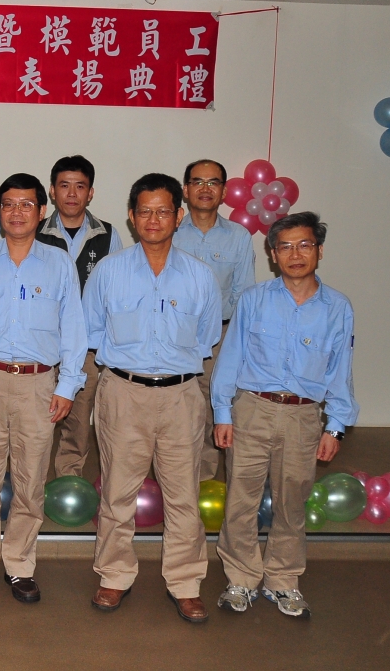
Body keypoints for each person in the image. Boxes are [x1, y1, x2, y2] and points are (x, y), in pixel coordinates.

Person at [83, 173, 221, 623]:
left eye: (163, 211)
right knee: (117, 492)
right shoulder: (109, 271)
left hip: (181, 396)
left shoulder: (200, 276)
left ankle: (185, 583)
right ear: (131, 216)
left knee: (183, 496)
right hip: (123, 393)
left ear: (179, 216)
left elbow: (206, 338)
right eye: (145, 211)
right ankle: (114, 575)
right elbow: (92, 331)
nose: (154, 219)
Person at [0, 173, 87, 603]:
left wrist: (68, 386)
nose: (17, 212)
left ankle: (20, 564)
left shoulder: (59, 263)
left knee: (30, 481)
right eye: (8, 204)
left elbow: (74, 329)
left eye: (26, 204)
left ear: (42, 212)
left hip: (38, 384)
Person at [212, 212, 357, 619]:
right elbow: (230, 358)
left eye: (305, 245)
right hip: (252, 410)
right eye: (286, 247)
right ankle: (241, 577)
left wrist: (336, 426)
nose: (296, 254)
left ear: (319, 251)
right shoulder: (254, 299)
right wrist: (222, 412)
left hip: (303, 417)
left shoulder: (338, 307)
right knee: (241, 499)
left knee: (292, 502)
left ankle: (283, 579)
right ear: (273, 254)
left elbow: (341, 371)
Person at [37, 155, 123, 479]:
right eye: (64, 186)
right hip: (42, 344)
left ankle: (67, 481)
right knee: (36, 420)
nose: (71, 194)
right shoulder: (34, 231)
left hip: (85, 346)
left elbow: (116, 291)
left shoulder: (108, 235)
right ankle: (32, 483)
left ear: (91, 193)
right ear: (52, 191)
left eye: (80, 186)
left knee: (77, 420)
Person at [173, 159, 256, 482]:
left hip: (220, 338)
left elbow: (243, 294)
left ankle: (203, 482)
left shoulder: (238, 236)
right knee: (174, 412)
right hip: (175, 337)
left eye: (213, 182)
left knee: (212, 409)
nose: (205, 189)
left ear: (223, 191)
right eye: (198, 182)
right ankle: (173, 480)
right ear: (185, 190)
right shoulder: (170, 231)